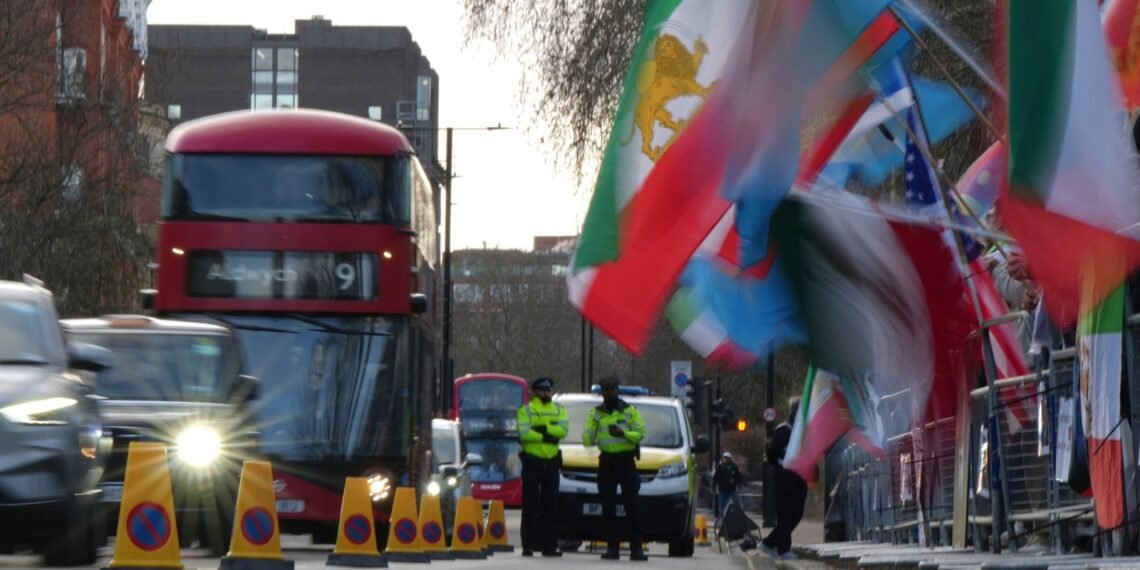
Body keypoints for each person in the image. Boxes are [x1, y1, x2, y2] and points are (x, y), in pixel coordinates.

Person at [583, 376, 648, 561]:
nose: (607, 393)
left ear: (617, 390)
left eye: (611, 389)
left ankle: (637, 548)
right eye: (604, 390)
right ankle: (613, 548)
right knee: (608, 507)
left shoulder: (629, 410)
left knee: (632, 506)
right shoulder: (596, 413)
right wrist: (592, 424)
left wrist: (623, 433)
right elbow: (587, 441)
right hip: (606, 462)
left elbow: (640, 434)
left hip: (626, 461)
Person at [516, 376, 568, 557]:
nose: (545, 393)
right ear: (535, 391)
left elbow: (563, 430)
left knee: (550, 507)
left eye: (547, 390)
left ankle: (549, 546)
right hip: (532, 462)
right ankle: (528, 546)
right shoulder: (526, 410)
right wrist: (548, 435)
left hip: (552, 463)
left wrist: (541, 430)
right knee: (529, 506)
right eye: (542, 390)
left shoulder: (559, 409)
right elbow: (524, 433)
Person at [761, 397, 806, 560]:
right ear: (793, 412)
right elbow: (772, 454)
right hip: (784, 480)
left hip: (799, 479)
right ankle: (782, 549)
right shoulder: (784, 431)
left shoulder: (802, 432)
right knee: (785, 516)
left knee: (797, 514)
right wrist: (782, 465)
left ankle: (769, 543)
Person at [713, 451, 744, 517]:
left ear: (730, 458)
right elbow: (716, 478)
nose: (726, 459)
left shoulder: (734, 467)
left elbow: (738, 476)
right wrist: (714, 486)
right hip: (722, 490)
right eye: (725, 458)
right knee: (722, 506)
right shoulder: (720, 467)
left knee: (736, 503)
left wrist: (738, 483)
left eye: (728, 458)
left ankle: (740, 516)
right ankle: (722, 519)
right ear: (723, 458)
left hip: (732, 489)